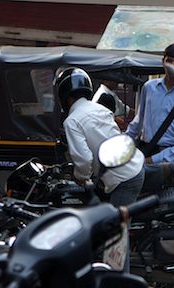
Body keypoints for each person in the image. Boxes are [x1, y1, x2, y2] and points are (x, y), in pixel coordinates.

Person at [56, 67, 145, 271]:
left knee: (115, 235)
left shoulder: (72, 121)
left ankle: (119, 283)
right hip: (131, 167)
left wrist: (82, 177)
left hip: (124, 178)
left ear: (65, 96)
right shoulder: (101, 109)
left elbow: (83, 158)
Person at [126, 43, 174, 188]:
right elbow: (138, 122)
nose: (172, 65)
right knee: (141, 206)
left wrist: (153, 160)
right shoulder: (149, 87)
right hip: (146, 151)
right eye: (169, 61)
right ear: (163, 61)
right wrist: (123, 144)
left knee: (172, 207)